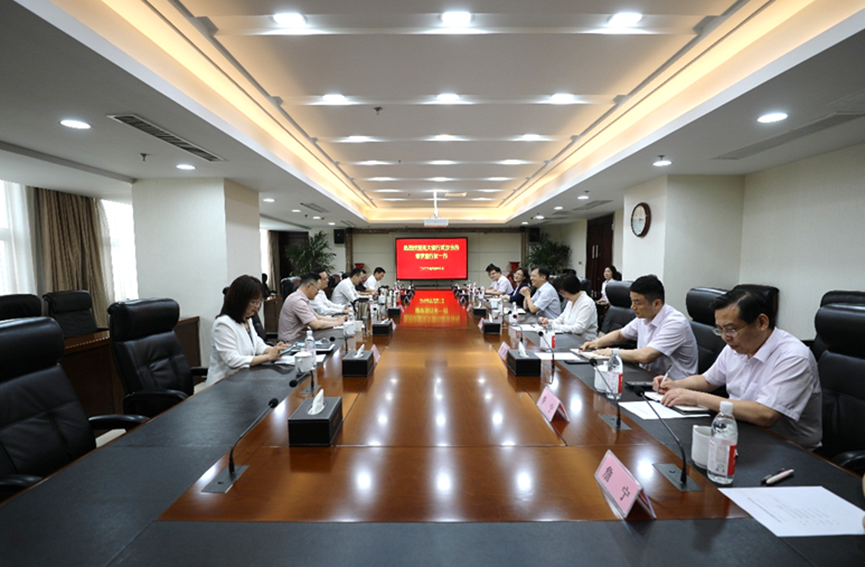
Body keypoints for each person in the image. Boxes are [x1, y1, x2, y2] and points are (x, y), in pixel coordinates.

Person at [653, 289, 822, 449]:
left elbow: (765, 414)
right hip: (739, 432)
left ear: (762, 322)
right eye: (720, 330)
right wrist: (675, 385)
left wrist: (696, 397)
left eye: (731, 329)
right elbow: (707, 380)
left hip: (787, 448)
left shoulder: (793, 356)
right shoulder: (737, 346)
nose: (725, 337)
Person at [580, 274, 698, 380]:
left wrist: (612, 352)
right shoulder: (644, 317)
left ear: (657, 304)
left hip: (676, 386)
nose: (632, 307)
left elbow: (646, 356)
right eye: (632, 301)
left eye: (638, 302)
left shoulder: (675, 323)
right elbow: (620, 334)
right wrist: (596, 343)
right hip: (648, 377)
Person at [208, 275, 288, 386]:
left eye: (259, 301)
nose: (257, 306)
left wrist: (275, 350)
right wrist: (268, 357)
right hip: (224, 383)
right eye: (253, 302)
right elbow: (233, 360)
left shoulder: (247, 320)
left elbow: (257, 345)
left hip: (244, 378)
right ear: (239, 301)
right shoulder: (223, 324)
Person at [278, 272, 347, 343]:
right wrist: (337, 322)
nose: (318, 292)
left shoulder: (301, 298)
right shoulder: (297, 301)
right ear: (309, 286)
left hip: (301, 338)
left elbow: (316, 317)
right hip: (291, 342)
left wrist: (337, 319)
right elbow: (315, 324)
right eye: (318, 289)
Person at [540, 275, 597, 340]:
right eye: (561, 293)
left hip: (585, 341)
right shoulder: (571, 300)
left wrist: (554, 326)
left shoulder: (587, 303)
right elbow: (561, 319)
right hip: (569, 338)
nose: (563, 296)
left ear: (571, 289)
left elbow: (579, 328)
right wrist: (549, 322)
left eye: (564, 293)